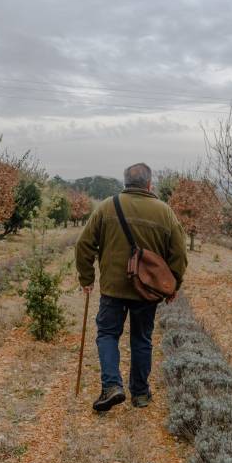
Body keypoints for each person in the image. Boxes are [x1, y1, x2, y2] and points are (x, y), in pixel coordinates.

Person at [75, 163, 188, 412]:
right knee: (141, 338)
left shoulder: (107, 206)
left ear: (125, 183)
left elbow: (83, 244)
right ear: (149, 185)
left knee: (107, 335)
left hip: (113, 288)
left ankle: (112, 386)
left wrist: (87, 278)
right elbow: (179, 253)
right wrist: (173, 284)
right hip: (147, 290)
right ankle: (140, 394)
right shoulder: (165, 212)